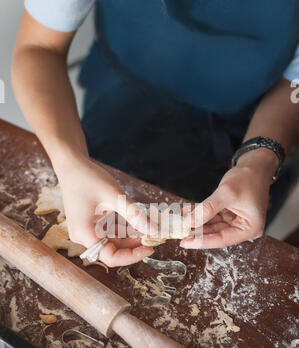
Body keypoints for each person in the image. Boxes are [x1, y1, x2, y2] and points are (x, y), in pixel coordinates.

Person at [12, 0, 299, 267]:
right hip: (122, 99)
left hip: (258, 118)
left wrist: (258, 162)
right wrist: (71, 164)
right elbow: (38, 48)